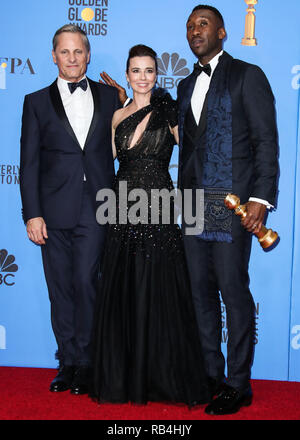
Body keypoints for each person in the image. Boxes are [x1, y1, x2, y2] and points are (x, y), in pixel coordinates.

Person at [89, 44, 210, 405]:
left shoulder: (168, 110)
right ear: (127, 76)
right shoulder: (115, 117)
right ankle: (124, 377)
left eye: (149, 71)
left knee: (160, 288)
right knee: (124, 287)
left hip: (158, 205)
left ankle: (161, 377)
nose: (143, 77)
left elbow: (190, 143)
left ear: (157, 75)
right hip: (122, 207)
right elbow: (102, 159)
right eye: (136, 71)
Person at [177, 5, 279, 415]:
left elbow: (266, 142)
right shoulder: (185, 84)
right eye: (189, 26)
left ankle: (238, 384)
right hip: (190, 204)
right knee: (200, 294)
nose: (194, 31)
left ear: (222, 32)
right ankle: (210, 375)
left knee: (233, 294)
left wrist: (260, 199)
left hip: (231, 204)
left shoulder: (247, 76)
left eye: (202, 24)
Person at [19, 24, 124, 395]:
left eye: (78, 51)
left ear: (88, 54)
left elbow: (122, 146)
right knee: (60, 288)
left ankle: (89, 361)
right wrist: (32, 213)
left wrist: (127, 104)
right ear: (54, 56)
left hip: (97, 204)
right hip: (52, 208)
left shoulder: (111, 97)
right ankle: (67, 362)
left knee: (85, 281)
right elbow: (28, 163)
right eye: (65, 52)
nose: (72, 58)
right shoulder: (35, 102)